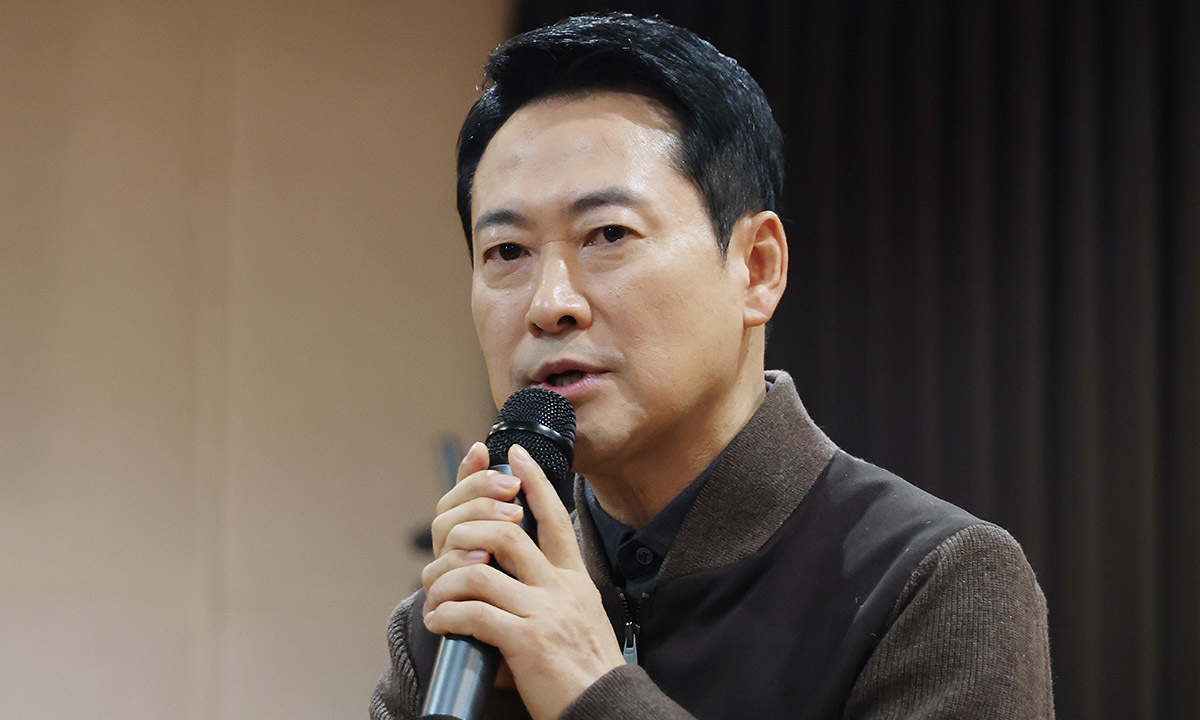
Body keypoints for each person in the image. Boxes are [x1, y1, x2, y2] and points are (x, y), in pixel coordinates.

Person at [371, 12, 1053, 720]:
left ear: (757, 267)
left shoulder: (934, 581)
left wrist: (592, 690)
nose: (551, 305)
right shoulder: (458, 623)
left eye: (608, 234)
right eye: (507, 251)